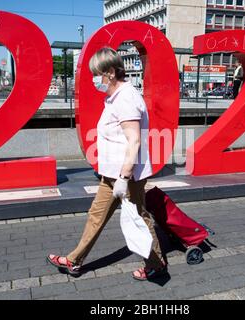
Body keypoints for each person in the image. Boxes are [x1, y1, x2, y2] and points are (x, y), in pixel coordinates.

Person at [47, 47, 167, 281]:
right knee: (96, 215)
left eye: (97, 73)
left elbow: (133, 141)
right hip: (112, 175)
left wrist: (123, 178)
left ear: (111, 72)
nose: (94, 79)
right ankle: (74, 260)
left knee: (138, 217)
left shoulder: (126, 98)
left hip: (126, 176)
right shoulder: (115, 98)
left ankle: (156, 264)